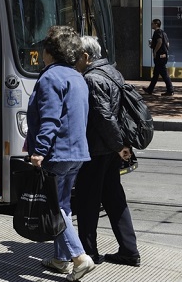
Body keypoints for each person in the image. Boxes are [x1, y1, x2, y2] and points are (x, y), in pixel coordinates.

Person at [26, 26, 95, 281]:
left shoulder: (50, 78)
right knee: (63, 205)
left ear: (49, 52)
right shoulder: (77, 77)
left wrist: (39, 151)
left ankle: (79, 257)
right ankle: (61, 258)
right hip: (77, 152)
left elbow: (50, 120)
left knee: (55, 209)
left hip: (56, 153)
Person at [75, 36, 141, 268]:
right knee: (114, 198)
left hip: (97, 149)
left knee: (87, 201)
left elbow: (104, 117)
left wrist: (118, 145)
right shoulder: (113, 72)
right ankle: (129, 250)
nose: (74, 61)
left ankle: (89, 253)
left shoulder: (92, 79)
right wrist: (121, 145)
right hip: (111, 150)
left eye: (77, 56)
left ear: (86, 57)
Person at [144, 19, 173, 96]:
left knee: (164, 73)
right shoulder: (163, 33)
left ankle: (170, 90)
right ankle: (150, 89)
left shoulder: (157, 32)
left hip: (160, 56)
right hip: (164, 55)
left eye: (152, 23)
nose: (151, 25)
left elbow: (159, 41)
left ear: (156, 24)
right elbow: (167, 43)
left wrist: (155, 51)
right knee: (156, 73)